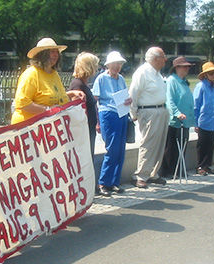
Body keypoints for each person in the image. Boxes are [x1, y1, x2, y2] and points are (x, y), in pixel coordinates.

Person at [11, 37, 84, 124]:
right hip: (28, 129)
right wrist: (48, 110)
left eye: (57, 52)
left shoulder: (54, 74)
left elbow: (54, 97)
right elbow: (22, 103)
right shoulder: (31, 74)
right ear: (42, 55)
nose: (55, 55)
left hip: (46, 129)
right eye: (52, 52)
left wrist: (72, 94)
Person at [92, 51, 131, 196]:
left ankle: (114, 181)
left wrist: (129, 100)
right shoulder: (101, 78)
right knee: (112, 148)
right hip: (108, 113)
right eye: (115, 64)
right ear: (108, 65)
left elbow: (124, 95)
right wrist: (97, 122)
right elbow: (95, 99)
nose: (117, 67)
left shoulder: (120, 78)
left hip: (121, 113)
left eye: (119, 64)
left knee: (120, 149)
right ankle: (103, 182)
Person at [129, 47, 169, 188]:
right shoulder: (142, 72)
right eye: (163, 56)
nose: (165, 59)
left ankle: (153, 173)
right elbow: (133, 94)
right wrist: (133, 113)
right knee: (148, 144)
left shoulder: (157, 74)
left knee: (159, 145)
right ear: (155, 58)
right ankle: (140, 175)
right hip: (148, 112)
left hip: (161, 110)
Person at [160, 56, 195, 178]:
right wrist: (177, 113)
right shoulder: (171, 81)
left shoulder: (184, 82)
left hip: (185, 121)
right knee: (171, 147)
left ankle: (178, 169)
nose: (187, 69)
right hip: (174, 121)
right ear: (176, 68)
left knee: (182, 145)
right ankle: (168, 171)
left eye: (188, 67)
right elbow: (169, 100)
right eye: (184, 66)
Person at [69, 52, 100, 160]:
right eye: (95, 65)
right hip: (82, 132)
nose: (97, 68)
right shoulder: (78, 85)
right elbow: (75, 112)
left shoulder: (83, 83)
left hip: (88, 129)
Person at [193, 61, 214, 176]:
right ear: (205, 75)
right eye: (211, 73)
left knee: (211, 143)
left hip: (213, 120)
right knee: (202, 144)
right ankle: (200, 166)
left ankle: (207, 165)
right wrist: (195, 122)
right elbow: (196, 104)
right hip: (203, 120)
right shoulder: (200, 86)